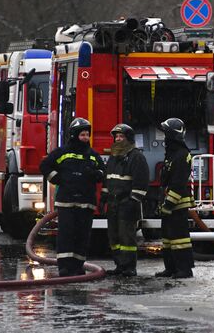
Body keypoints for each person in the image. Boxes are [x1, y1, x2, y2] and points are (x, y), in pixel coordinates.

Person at [39, 118, 105, 277]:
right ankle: (65, 267)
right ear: (74, 135)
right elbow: (45, 166)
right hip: (67, 202)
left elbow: (103, 172)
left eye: (87, 135)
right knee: (66, 235)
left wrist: (96, 175)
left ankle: (78, 266)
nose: (85, 138)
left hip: (86, 203)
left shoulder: (93, 155)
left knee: (82, 236)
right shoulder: (63, 153)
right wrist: (56, 179)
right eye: (82, 134)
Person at [101, 124, 149, 277]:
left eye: (121, 136)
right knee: (113, 237)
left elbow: (141, 182)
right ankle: (119, 265)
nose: (118, 139)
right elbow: (107, 180)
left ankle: (129, 267)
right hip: (113, 204)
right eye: (116, 137)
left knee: (126, 237)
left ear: (128, 138)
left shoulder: (136, 157)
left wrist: (133, 200)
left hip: (127, 204)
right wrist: (103, 198)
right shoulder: (113, 157)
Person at [155, 118, 196, 279]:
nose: (164, 137)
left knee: (180, 239)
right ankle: (171, 268)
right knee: (167, 238)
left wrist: (169, 204)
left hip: (177, 204)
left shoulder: (182, 155)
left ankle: (184, 270)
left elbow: (178, 183)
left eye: (166, 134)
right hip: (168, 203)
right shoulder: (171, 154)